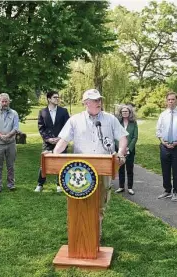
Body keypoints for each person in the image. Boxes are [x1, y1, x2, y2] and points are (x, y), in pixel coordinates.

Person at [53, 88, 128, 234]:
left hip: (104, 168)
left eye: (99, 99)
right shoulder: (75, 120)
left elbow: (123, 138)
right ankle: (79, 235)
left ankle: (95, 235)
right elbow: (63, 141)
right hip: (80, 171)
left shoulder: (110, 119)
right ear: (86, 103)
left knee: (100, 204)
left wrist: (120, 153)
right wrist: (54, 156)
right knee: (78, 203)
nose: (99, 102)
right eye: (95, 100)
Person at [156, 91, 177, 202]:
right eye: (169, 99)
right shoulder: (163, 114)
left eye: (173, 99)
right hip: (164, 146)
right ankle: (167, 190)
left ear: (176, 100)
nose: (170, 101)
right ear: (166, 101)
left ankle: (176, 192)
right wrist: (163, 142)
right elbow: (158, 130)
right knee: (165, 169)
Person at [34, 91, 70, 193]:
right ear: (49, 99)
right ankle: (40, 184)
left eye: (58, 97)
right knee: (44, 164)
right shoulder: (42, 112)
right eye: (55, 97)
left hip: (61, 142)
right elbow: (41, 128)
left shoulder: (64, 111)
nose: (57, 99)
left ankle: (59, 185)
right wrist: (48, 139)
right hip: (48, 143)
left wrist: (60, 138)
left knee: (61, 163)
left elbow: (67, 127)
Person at [0, 93, 19, 193]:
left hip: (11, 143)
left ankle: (11, 184)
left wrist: (8, 135)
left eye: (6, 101)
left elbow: (16, 128)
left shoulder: (14, 113)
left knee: (11, 166)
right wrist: (1, 136)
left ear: (9, 101)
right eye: (3, 101)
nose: (5, 103)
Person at [115, 104, 138, 195]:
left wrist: (128, 148)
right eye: (123, 111)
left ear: (130, 112)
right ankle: (121, 187)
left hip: (130, 150)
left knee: (129, 169)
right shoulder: (117, 123)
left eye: (126, 111)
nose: (125, 113)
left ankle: (130, 187)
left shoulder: (133, 123)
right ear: (120, 113)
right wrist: (121, 148)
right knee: (120, 168)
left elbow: (135, 137)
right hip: (119, 150)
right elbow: (115, 137)